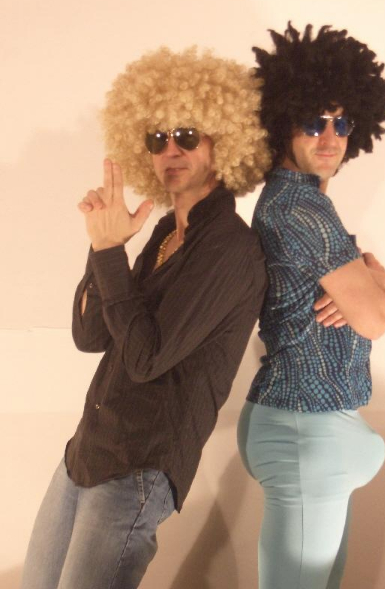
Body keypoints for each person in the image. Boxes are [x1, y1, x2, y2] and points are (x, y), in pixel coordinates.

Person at [21, 46, 270, 589]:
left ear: (223, 141)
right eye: (157, 139)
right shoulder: (162, 235)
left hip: (138, 469)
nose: (170, 150)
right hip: (86, 452)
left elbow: (146, 357)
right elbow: (91, 334)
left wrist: (111, 253)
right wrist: (101, 247)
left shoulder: (228, 247)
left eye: (187, 135)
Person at [237, 23, 385, 589]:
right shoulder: (300, 212)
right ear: (282, 123)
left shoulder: (308, 204)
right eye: (313, 122)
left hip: (310, 429)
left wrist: (380, 285)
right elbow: (377, 318)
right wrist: (378, 290)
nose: (330, 136)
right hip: (302, 431)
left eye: (342, 122)